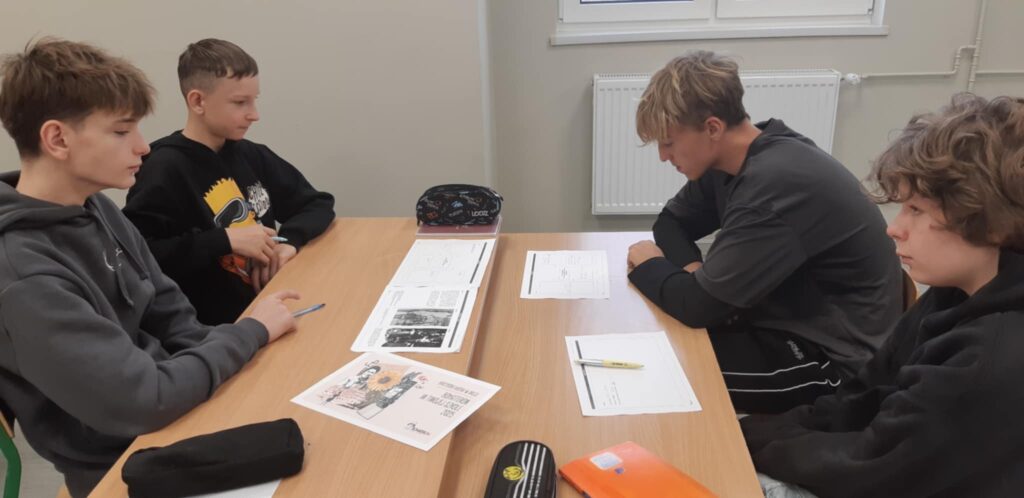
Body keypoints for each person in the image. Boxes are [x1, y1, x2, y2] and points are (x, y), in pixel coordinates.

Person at [0, 38, 302, 497]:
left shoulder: (96, 206)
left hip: (179, 409)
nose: (143, 147)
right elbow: (143, 400)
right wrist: (250, 333)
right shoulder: (24, 277)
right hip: (125, 463)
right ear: (57, 139)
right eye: (122, 132)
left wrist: (235, 354)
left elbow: (171, 311)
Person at [742, 94, 1024, 497]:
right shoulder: (954, 292)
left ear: (994, 221)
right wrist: (754, 432)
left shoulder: (988, 358)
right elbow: (862, 396)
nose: (894, 228)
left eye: (916, 210)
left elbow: (871, 466)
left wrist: (752, 444)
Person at [626, 51, 902, 413]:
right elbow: (670, 223)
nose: (664, 156)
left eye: (668, 142)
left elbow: (696, 307)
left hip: (835, 361)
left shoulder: (774, 185)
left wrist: (650, 265)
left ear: (712, 128)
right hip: (778, 322)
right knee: (652, 342)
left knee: (655, 369)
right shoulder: (739, 156)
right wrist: (693, 274)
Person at [123, 38, 334, 325]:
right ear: (198, 101)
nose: (254, 114)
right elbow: (139, 254)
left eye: (254, 100)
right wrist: (225, 240)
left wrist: (288, 243)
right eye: (239, 102)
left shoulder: (251, 155)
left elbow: (317, 204)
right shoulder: (163, 168)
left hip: (266, 308)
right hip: (212, 329)